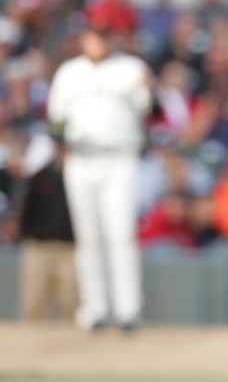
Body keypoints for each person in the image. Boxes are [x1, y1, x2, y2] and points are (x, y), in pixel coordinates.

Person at [47, 23, 153, 332]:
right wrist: (60, 147)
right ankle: (94, 309)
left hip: (119, 158)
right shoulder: (68, 72)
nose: (99, 40)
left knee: (120, 234)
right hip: (80, 158)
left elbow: (149, 110)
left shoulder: (132, 68)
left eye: (105, 34)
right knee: (87, 236)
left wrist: (149, 88)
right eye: (94, 34)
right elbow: (55, 121)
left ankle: (128, 309)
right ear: (83, 38)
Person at [17, 133, 77, 322]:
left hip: (70, 249)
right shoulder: (40, 175)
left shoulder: (81, 178)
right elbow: (24, 207)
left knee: (72, 306)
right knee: (33, 307)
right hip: (38, 247)